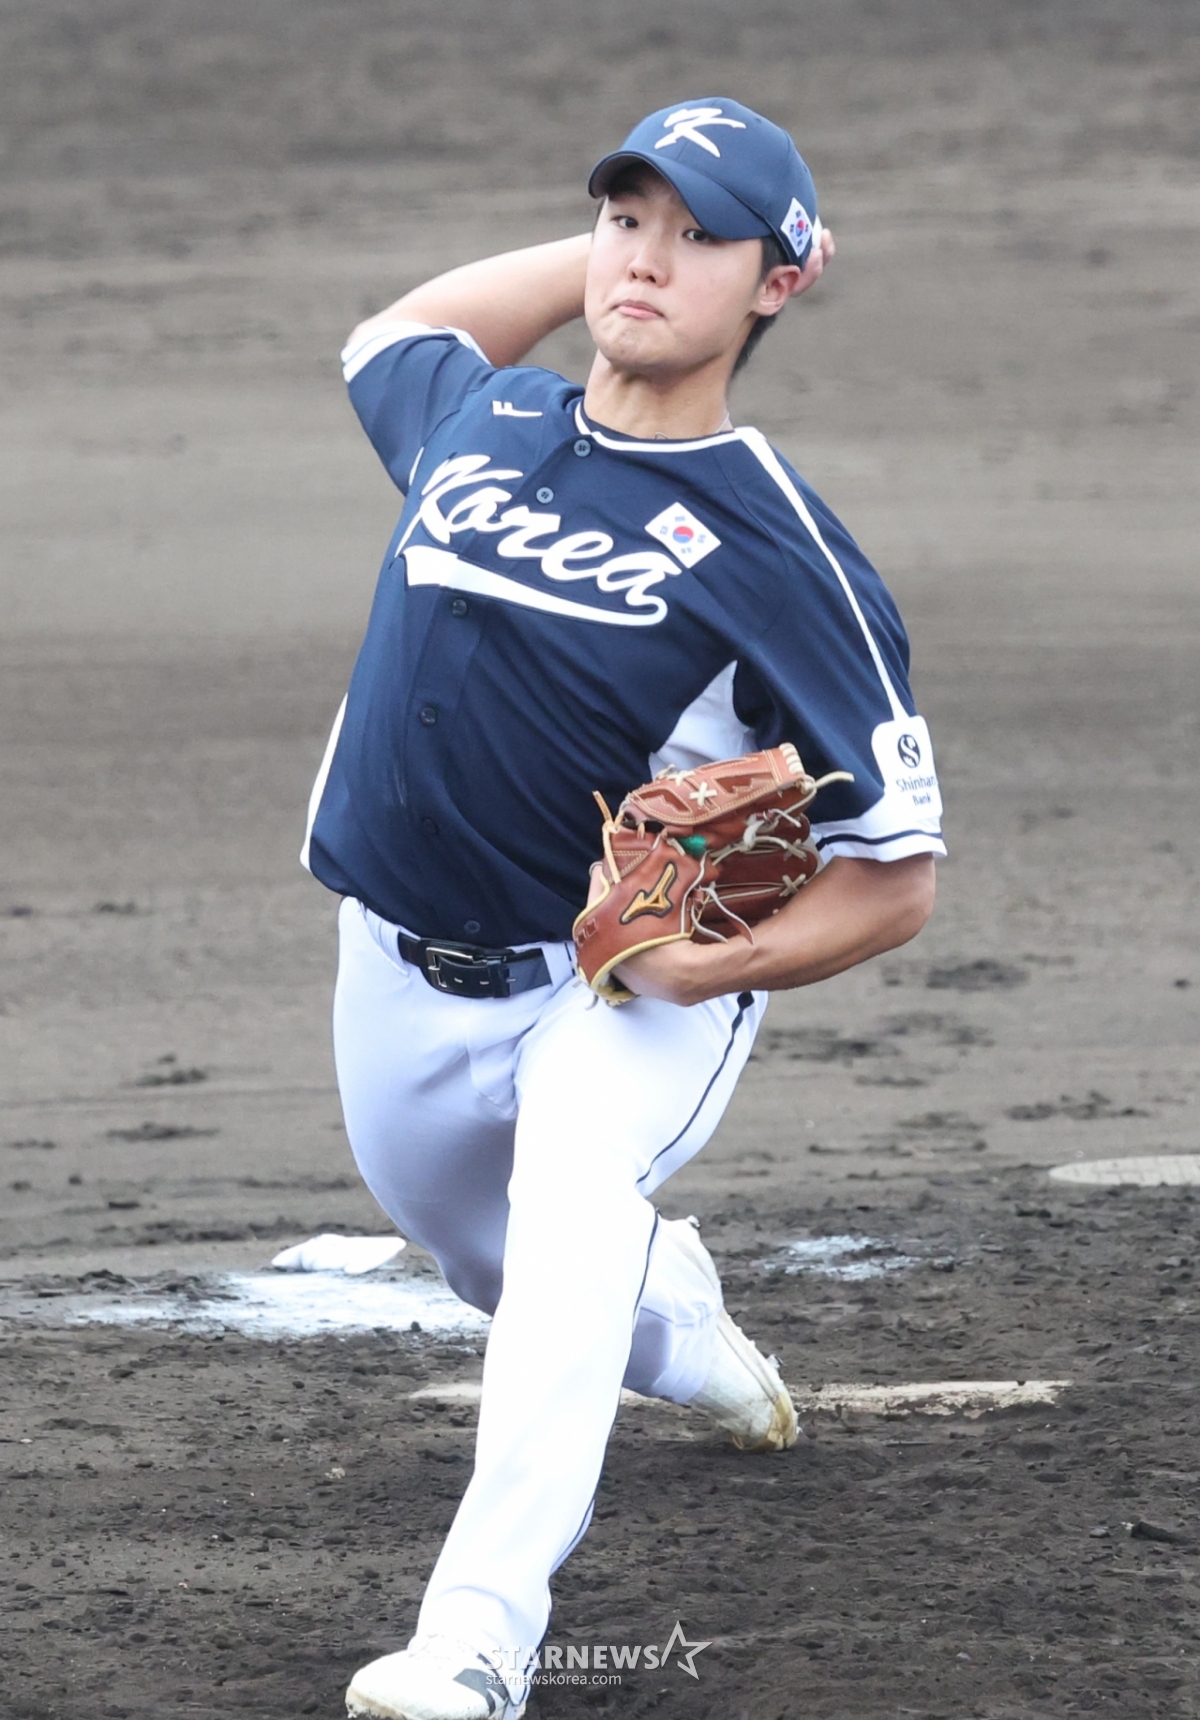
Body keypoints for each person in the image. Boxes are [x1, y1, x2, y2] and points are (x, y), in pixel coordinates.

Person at [301, 97, 945, 1720]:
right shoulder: (488, 419)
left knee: (570, 1209)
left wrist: (715, 966)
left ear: (780, 283)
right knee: (492, 1263)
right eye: (625, 219)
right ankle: (688, 1321)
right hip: (395, 962)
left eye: (698, 237)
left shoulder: (778, 548)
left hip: (618, 989)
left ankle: (475, 1644)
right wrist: (625, 269)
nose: (647, 258)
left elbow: (897, 874)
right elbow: (395, 333)